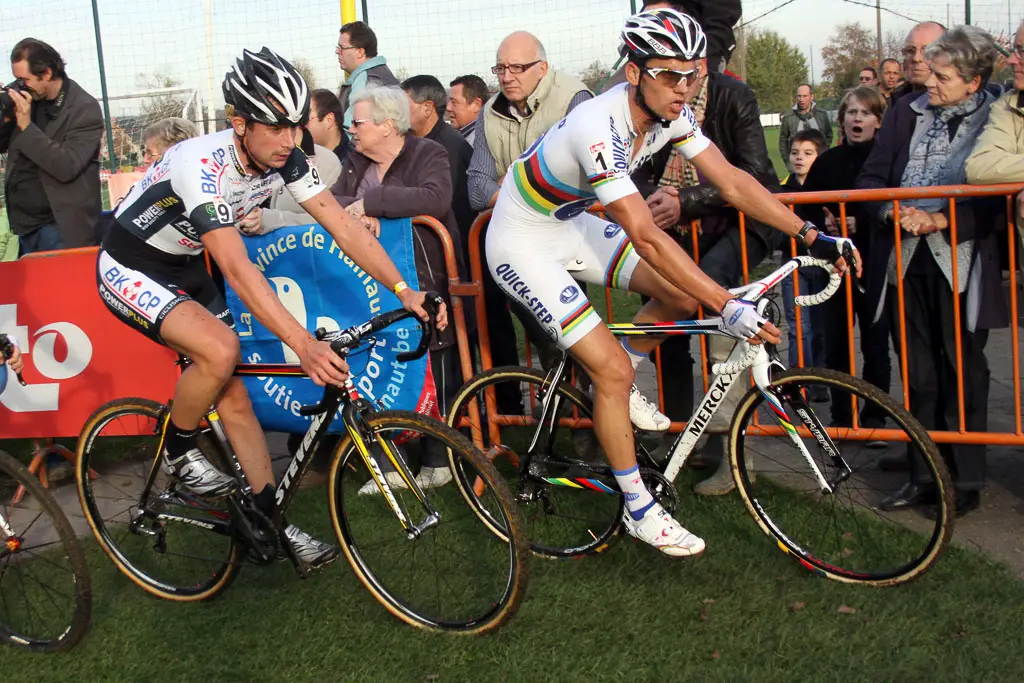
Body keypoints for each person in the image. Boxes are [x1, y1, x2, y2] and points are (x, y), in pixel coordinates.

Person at [486, 8, 857, 556]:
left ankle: (624, 380)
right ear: (634, 73)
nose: (684, 88)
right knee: (608, 366)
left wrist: (810, 234)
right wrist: (726, 304)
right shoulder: (599, 124)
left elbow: (733, 182)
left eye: (693, 74)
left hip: (566, 223)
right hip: (519, 239)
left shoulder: (670, 112)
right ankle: (638, 506)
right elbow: (647, 236)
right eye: (669, 74)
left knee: (680, 298)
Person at [96, 48, 445, 568]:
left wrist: (403, 289)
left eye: (296, 126)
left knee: (233, 395)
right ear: (238, 123)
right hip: (131, 264)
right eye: (275, 127)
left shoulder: (290, 157)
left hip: (186, 263)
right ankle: (179, 450)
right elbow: (238, 269)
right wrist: (303, 343)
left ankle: (270, 524)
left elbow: (343, 227)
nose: (290, 140)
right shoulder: (201, 165)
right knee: (221, 349)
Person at [857, 26, 1004, 519]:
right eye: (931, 73)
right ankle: (925, 476)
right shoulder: (905, 112)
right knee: (918, 372)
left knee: (962, 368)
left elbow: (997, 191)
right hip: (906, 258)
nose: (932, 83)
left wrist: (944, 219)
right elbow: (872, 178)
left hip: (960, 261)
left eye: (943, 76)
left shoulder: (995, 117)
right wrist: (892, 213)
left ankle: (964, 480)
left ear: (973, 80)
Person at [628, 51, 782, 494]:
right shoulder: (650, 103)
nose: (681, 82)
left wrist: (687, 200)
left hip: (732, 227)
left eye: (688, 72)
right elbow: (628, 170)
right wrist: (656, 196)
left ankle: (733, 457)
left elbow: (754, 175)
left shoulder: (734, 96)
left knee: (721, 322)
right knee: (666, 329)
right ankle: (677, 435)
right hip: (673, 232)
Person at [330, 86, 463, 493]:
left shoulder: (428, 154)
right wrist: (358, 210)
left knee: (434, 361)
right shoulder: (354, 160)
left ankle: (440, 459)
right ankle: (394, 463)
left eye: (358, 122)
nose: (350, 129)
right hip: (375, 283)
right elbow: (333, 201)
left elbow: (436, 199)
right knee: (384, 364)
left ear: (388, 125)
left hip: (428, 275)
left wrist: (372, 204)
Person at [466, 30, 591, 409]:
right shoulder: (490, 111)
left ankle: (586, 412)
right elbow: (475, 187)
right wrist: (529, 193)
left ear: (543, 68)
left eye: (517, 67)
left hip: (570, 235)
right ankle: (566, 409)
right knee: (547, 331)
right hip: (519, 244)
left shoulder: (575, 99)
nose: (506, 76)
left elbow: (584, 177)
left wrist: (513, 189)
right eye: (500, 67)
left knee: (576, 334)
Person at [800, 87, 893, 435]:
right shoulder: (827, 163)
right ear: (841, 119)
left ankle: (876, 418)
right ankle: (842, 416)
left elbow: (889, 209)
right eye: (851, 113)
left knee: (875, 342)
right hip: (833, 267)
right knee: (837, 342)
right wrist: (823, 230)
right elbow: (804, 211)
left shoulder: (885, 163)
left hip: (872, 263)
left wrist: (862, 222)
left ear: (879, 121)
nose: (857, 119)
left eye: (865, 113)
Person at [0, 38, 103, 254]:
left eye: (23, 79)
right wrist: (5, 116)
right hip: (26, 226)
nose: (19, 85)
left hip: (60, 228)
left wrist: (26, 126)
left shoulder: (84, 108)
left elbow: (66, 166)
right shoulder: (29, 98)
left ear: (46, 73)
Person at [965, 19, 1024, 285]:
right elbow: (979, 167)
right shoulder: (1007, 107)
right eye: (1014, 49)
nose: (1012, 60)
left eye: (1022, 51)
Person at [402, 75, 474, 267]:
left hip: (452, 255)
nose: (396, 112)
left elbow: (452, 207)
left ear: (427, 108)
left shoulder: (448, 148)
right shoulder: (410, 142)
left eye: (403, 105)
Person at [779, 129, 828, 379]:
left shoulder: (824, 188)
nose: (799, 158)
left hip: (822, 264)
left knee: (820, 327)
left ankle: (819, 379)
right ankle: (798, 382)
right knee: (798, 327)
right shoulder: (782, 189)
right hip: (792, 264)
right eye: (795, 152)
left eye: (808, 153)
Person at [336, 21, 399, 128]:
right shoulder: (381, 73)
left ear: (360, 52)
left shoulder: (365, 80)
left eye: (342, 48)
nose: (337, 51)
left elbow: (350, 129)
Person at [890, 22, 946, 106]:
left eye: (927, 51)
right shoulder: (896, 100)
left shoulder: (961, 104)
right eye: (910, 50)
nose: (916, 58)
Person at [778, 84, 833, 170]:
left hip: (819, 165)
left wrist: (823, 153)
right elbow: (782, 140)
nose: (801, 99)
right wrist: (788, 162)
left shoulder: (822, 115)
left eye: (804, 96)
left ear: (811, 97)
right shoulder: (788, 117)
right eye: (799, 96)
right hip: (798, 167)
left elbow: (829, 135)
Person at [305, 89, 349, 164]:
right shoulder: (302, 158)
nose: (301, 126)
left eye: (306, 119)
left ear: (329, 120)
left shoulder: (353, 164)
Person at [446, 74, 488, 145]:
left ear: (476, 105)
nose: (448, 108)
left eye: (454, 102)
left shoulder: (482, 142)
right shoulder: (463, 137)